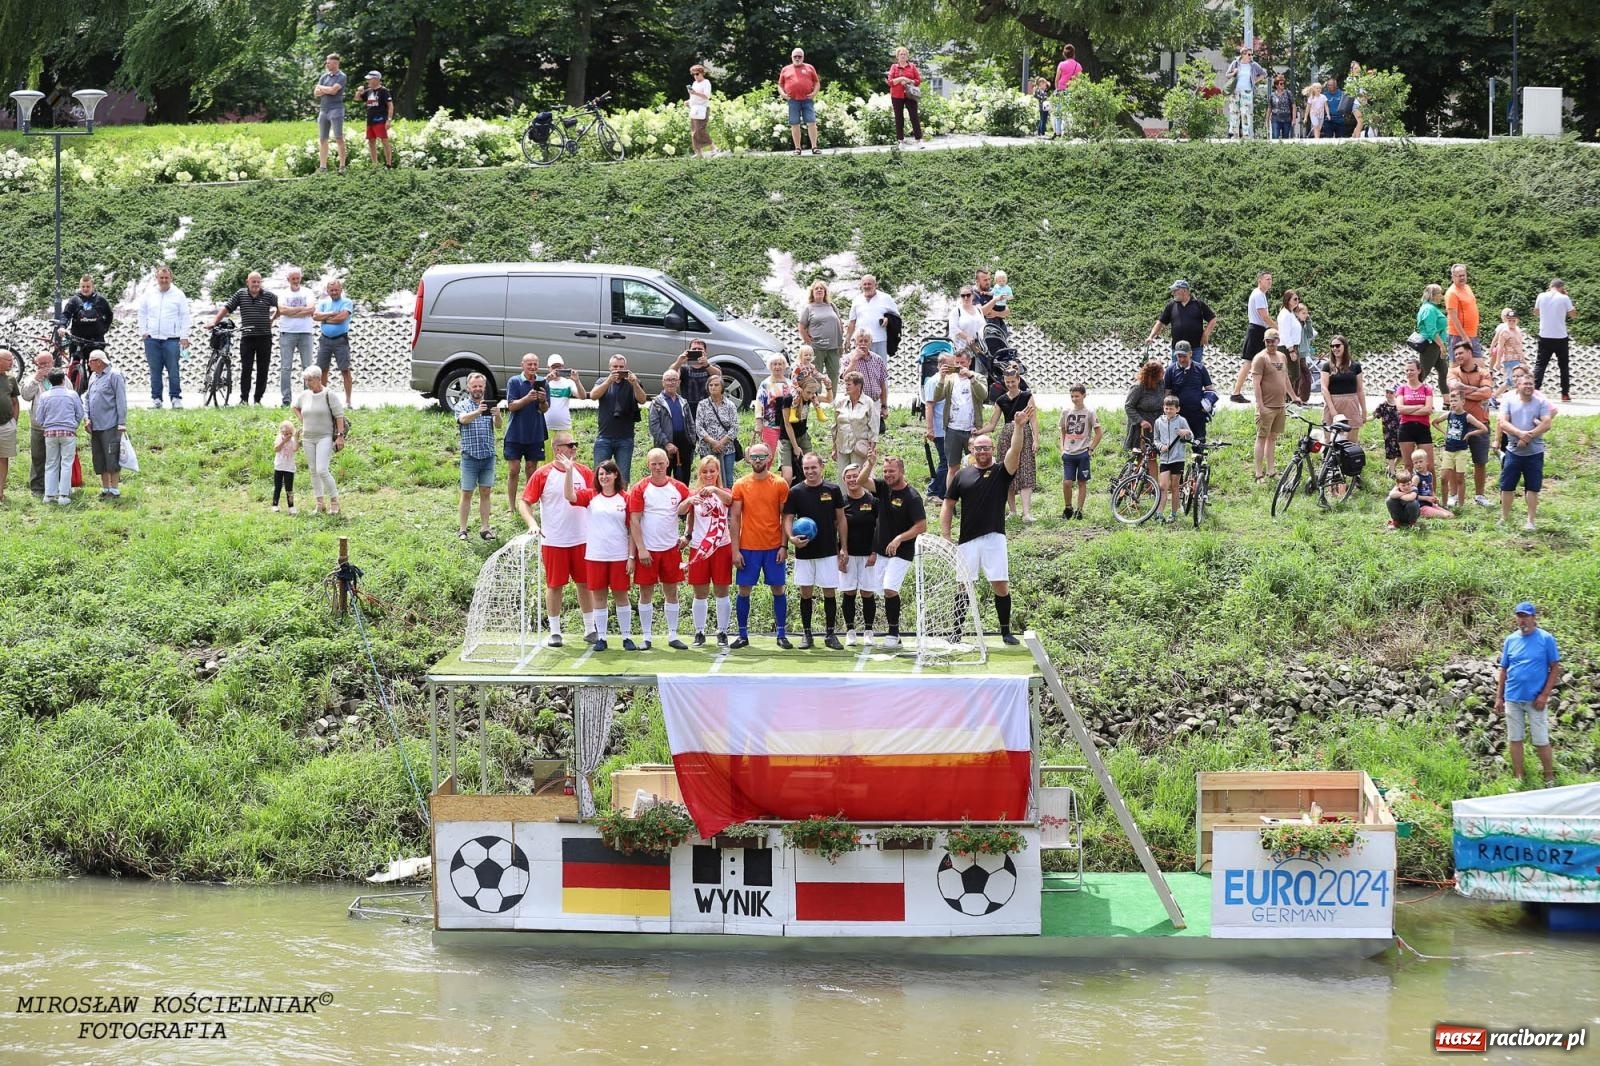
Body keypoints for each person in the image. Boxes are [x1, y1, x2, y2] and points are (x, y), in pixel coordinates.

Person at [939, 404, 1033, 646]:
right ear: (972, 450)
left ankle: (1005, 632)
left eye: (986, 448)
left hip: (994, 537)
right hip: (967, 540)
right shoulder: (962, 475)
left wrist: (1019, 427)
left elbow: (1015, 450)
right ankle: (956, 632)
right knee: (963, 586)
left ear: (992, 450)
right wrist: (945, 535)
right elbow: (948, 505)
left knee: (1000, 585)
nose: (982, 451)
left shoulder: (1002, 471)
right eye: (978, 448)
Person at [519, 430, 598, 646]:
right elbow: (524, 502)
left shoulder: (584, 472)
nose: (574, 448)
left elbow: (597, 499)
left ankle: (590, 628)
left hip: (582, 539)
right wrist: (532, 524)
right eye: (569, 445)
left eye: (575, 444)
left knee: (585, 583)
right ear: (556, 449)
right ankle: (555, 631)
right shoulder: (543, 474)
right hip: (554, 540)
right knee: (554, 586)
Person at [859, 451, 926, 648]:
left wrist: (899, 538)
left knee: (890, 589)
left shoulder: (912, 496)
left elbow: (921, 526)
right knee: (883, 591)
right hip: (882, 551)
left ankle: (893, 633)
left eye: (892, 471)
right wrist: (870, 464)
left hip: (902, 552)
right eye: (885, 471)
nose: (888, 475)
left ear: (902, 471)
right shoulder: (883, 487)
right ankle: (895, 635)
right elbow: (861, 481)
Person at [627, 447, 692, 650]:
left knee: (671, 591)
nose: (657, 467)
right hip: (648, 550)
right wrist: (641, 549)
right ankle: (646, 637)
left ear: (667, 464)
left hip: (671, 549)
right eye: (653, 464)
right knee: (645, 593)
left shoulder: (678, 487)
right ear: (648, 465)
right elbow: (634, 521)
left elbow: (693, 507)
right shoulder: (640, 488)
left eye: (661, 463)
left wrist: (687, 535)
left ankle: (672, 635)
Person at [567, 458, 634, 652]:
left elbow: (633, 530)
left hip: (619, 555)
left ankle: (626, 637)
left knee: (621, 596)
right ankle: (602, 637)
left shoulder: (626, 498)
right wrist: (569, 471)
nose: (604, 477)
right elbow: (569, 496)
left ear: (616, 475)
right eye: (601, 474)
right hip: (596, 555)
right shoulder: (590, 495)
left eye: (608, 473)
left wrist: (631, 557)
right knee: (599, 597)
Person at [729, 441, 791, 649]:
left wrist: (784, 546)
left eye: (761, 456)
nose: (757, 460)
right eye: (754, 457)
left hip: (773, 547)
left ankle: (781, 634)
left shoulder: (780, 484)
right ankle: (742, 635)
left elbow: (785, 517)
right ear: (748, 459)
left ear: (769, 458)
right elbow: (735, 518)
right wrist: (735, 550)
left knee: (778, 589)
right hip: (748, 547)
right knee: (744, 590)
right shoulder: (740, 484)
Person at [783, 451, 847, 649]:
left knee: (829, 592)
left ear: (821, 467)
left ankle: (830, 634)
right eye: (806, 468)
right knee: (805, 593)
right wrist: (791, 538)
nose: (810, 471)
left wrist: (843, 547)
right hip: (804, 551)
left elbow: (841, 519)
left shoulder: (833, 489)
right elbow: (787, 518)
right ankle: (807, 634)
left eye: (813, 467)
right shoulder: (795, 491)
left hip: (828, 550)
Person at [1496, 603, 1562, 788]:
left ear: (1534, 618)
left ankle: (1549, 778)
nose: (1522, 620)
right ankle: (1519, 777)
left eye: (1525, 616)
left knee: (1541, 739)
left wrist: (1544, 695)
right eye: (1519, 616)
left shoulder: (1545, 638)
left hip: (1536, 700)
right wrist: (1499, 697)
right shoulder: (1511, 640)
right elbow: (1504, 669)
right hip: (1513, 698)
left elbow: (1555, 668)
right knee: (1515, 739)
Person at [680, 455, 734, 646]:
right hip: (699, 548)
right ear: (699, 473)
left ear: (718, 472)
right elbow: (682, 512)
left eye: (712, 471)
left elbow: (730, 500)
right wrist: (689, 501)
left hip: (721, 546)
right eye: (705, 471)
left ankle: (722, 631)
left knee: (722, 590)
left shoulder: (724, 491)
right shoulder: (694, 493)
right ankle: (699, 631)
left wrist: (715, 490)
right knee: (700, 592)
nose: (709, 474)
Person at [211, 271, 279, 405]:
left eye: (258, 281)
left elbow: (281, 306)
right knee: (246, 369)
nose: (256, 284)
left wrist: (272, 318)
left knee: (263, 370)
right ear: (247, 282)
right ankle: (244, 399)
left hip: (264, 337)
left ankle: (258, 399)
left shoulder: (268, 295)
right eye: (253, 281)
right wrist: (214, 322)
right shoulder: (241, 294)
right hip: (247, 337)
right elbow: (227, 308)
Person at [1497, 372, 1555, 531]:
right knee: (1507, 486)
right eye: (1525, 384)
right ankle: (1504, 518)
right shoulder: (1508, 400)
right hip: (1513, 451)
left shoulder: (1541, 402)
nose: (1529, 386)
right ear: (1518, 385)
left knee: (1533, 488)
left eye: (1531, 384)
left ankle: (1530, 521)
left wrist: (1528, 436)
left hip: (1535, 453)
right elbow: (1503, 422)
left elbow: (1547, 423)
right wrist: (1520, 434)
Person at [1446, 342, 1496, 507]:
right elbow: (1454, 389)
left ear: (1470, 352)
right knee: (1453, 459)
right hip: (1457, 423)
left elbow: (1487, 393)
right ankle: (1453, 495)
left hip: (1480, 421)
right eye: (1456, 354)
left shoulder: (1484, 372)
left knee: (1480, 461)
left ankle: (1480, 496)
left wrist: (1464, 392)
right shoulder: (1453, 371)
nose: (1458, 356)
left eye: (1461, 353)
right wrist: (1476, 390)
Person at [837, 459, 881, 644]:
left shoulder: (873, 501)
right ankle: (850, 631)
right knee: (849, 593)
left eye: (856, 476)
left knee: (867, 593)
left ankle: (869, 631)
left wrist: (875, 552)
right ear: (844, 480)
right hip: (848, 556)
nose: (852, 479)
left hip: (868, 555)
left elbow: (880, 528)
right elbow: (835, 529)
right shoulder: (841, 502)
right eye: (848, 477)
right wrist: (839, 553)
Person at [453, 372, 501, 541]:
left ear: (484, 387)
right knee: (466, 493)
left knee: (485, 492)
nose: (478, 389)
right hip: (470, 457)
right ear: (468, 387)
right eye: (474, 386)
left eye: (480, 386)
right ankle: (462, 529)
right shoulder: (462, 405)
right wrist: (478, 412)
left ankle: (485, 528)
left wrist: (497, 414)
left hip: (488, 456)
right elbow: (462, 420)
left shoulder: (489, 405)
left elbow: (499, 426)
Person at [986, 365, 1037, 522]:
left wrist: (1036, 439)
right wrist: (978, 431)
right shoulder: (1001, 400)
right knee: (1007, 471)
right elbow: (992, 424)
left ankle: (1027, 513)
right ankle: (1013, 511)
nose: (1010, 384)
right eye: (1007, 382)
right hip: (1007, 435)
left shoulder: (1027, 396)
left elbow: (1033, 419)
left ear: (1018, 380)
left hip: (1025, 433)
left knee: (1026, 470)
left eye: (1013, 381)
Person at [137, 264, 191, 409]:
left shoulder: (178, 294)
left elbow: (185, 316)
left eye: (166, 278)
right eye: (161, 277)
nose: (164, 280)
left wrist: (184, 336)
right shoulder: (149, 294)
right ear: (157, 278)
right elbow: (142, 312)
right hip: (152, 339)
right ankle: (156, 399)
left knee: (173, 370)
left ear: (171, 278)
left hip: (172, 339)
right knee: (155, 370)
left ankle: (175, 397)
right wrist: (143, 331)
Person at [293, 366, 345, 515]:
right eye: (305, 380)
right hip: (308, 438)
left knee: (322, 469)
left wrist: (340, 436)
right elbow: (295, 406)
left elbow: (339, 416)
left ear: (318, 379)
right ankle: (320, 503)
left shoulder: (329, 394)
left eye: (310, 380)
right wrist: (302, 419)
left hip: (324, 437)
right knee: (313, 470)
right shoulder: (304, 395)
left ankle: (334, 501)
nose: (307, 383)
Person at [503, 353, 550, 517]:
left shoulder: (543, 383)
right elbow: (511, 406)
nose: (532, 367)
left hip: (535, 433)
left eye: (535, 364)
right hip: (515, 433)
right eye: (529, 364)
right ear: (522, 365)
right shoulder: (514, 381)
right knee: (513, 470)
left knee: (532, 469)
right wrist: (527, 398)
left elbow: (545, 409)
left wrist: (542, 400)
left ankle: (529, 503)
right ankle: (511, 506)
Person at [589, 353, 647, 482]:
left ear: (626, 368)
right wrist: (609, 381)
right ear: (609, 367)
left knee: (623, 477)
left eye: (621, 367)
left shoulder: (633, 381)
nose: (618, 370)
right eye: (615, 366)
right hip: (604, 437)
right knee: (599, 475)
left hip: (625, 438)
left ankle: (622, 496)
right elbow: (593, 395)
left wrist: (635, 384)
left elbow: (642, 400)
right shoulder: (602, 381)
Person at [933, 348, 985, 491]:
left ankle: (975, 495)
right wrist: (941, 378)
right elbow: (937, 397)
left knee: (976, 464)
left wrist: (971, 377)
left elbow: (983, 395)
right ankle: (950, 496)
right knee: (952, 467)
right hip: (952, 429)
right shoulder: (949, 379)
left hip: (972, 429)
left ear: (969, 362)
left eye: (963, 363)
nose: (960, 366)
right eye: (957, 363)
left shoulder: (978, 377)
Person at [1432, 387, 1488, 512]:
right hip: (1448, 450)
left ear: (1463, 402)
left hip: (1461, 451)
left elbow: (1483, 428)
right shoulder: (1449, 414)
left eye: (1455, 400)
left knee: (1459, 478)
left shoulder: (1467, 416)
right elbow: (1435, 422)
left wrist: (1469, 434)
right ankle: (1445, 504)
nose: (1453, 403)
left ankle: (1461, 506)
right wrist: (1444, 433)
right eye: (1451, 401)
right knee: (1443, 478)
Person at [35, 369, 84, 505]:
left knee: (51, 463)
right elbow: (80, 413)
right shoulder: (72, 394)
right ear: (63, 379)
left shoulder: (44, 396)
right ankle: (64, 494)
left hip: (50, 432)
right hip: (68, 432)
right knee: (66, 463)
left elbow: (39, 417)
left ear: (50, 381)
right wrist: (74, 425)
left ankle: (49, 495)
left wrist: (46, 425)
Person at [83, 349, 126, 500]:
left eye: (90, 361)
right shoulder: (93, 376)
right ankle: (105, 488)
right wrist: (86, 418)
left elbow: (121, 399)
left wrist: (121, 422)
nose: (88, 364)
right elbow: (87, 398)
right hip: (95, 425)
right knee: (99, 457)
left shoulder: (115, 375)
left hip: (110, 424)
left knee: (112, 456)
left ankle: (114, 489)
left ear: (99, 362)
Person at [1250, 328, 1291, 481]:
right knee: (1261, 437)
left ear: (1278, 341)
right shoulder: (1260, 358)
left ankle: (1271, 470)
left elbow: (1285, 378)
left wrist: (1294, 396)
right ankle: (1258, 473)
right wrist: (1260, 406)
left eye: (1272, 341)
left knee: (1273, 438)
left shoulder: (1282, 356)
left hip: (1280, 405)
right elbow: (1256, 384)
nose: (1270, 344)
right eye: (1267, 341)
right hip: (1266, 406)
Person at [1058, 383, 1101, 520]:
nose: (1074, 399)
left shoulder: (1090, 412)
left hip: (1083, 453)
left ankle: (1079, 510)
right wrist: (1062, 448)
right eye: (1072, 396)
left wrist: (1091, 448)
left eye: (1077, 396)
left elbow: (1099, 433)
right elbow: (1062, 430)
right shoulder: (1066, 411)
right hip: (1069, 453)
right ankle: (1068, 507)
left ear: (1084, 396)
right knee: (1067, 482)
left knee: (1082, 482)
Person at [1147, 280, 1216, 364]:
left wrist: (1205, 334)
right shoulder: (1171, 305)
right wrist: (1151, 336)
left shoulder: (1199, 304)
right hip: (1177, 349)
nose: (1172, 293)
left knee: (1194, 371)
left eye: (1175, 290)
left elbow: (1212, 319)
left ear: (1184, 290)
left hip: (1195, 348)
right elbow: (1160, 322)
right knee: (1176, 371)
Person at [1230, 271, 1274, 403]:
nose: (1270, 281)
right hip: (1256, 330)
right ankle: (1236, 392)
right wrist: (1277, 327)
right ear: (1259, 280)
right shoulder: (1259, 295)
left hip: (1258, 330)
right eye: (1267, 279)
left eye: (1270, 279)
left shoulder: (1260, 294)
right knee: (1249, 362)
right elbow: (1264, 316)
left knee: (1260, 362)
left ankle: (1260, 391)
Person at [276, 267, 316, 407]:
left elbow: (311, 309)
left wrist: (291, 311)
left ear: (301, 278)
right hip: (287, 332)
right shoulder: (283, 293)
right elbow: (281, 310)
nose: (295, 280)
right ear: (288, 279)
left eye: (297, 278)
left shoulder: (308, 292)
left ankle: (308, 397)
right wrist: (301, 310)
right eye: (293, 278)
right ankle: (286, 399)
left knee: (308, 367)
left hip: (305, 332)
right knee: (286, 367)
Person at [647, 369, 695, 485]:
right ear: (663, 382)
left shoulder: (683, 401)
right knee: (664, 478)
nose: (671, 383)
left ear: (679, 382)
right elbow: (654, 426)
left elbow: (691, 423)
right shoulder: (656, 402)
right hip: (664, 445)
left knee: (684, 479)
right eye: (668, 380)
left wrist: (692, 441)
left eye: (674, 380)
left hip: (684, 444)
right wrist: (666, 443)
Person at [312, 278, 355, 406]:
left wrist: (325, 319)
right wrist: (331, 314)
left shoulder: (347, 302)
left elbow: (342, 318)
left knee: (345, 370)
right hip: (324, 340)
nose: (334, 292)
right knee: (322, 370)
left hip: (341, 340)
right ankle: (323, 399)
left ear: (341, 290)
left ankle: (348, 401)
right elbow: (315, 316)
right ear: (328, 291)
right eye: (331, 290)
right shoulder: (323, 302)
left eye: (336, 290)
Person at [694, 372, 740, 490]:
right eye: (711, 385)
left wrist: (721, 443)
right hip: (707, 448)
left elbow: (734, 427)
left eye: (716, 385)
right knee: (708, 478)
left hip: (727, 449)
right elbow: (699, 427)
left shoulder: (730, 405)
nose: (713, 387)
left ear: (722, 387)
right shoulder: (702, 405)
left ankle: (727, 499)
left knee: (728, 480)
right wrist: (713, 442)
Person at [1152, 395, 1194, 524]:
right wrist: (1161, 446)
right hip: (1164, 459)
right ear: (1163, 408)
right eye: (1166, 408)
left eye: (1171, 408)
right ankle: (1159, 513)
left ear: (1177, 409)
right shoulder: (1158, 422)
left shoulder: (1181, 420)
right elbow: (1156, 439)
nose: (1169, 411)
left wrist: (1186, 433)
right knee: (1163, 487)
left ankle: (1174, 513)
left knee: (1175, 487)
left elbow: (1191, 436)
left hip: (1178, 458)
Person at [1533, 278, 1576, 403]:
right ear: (1561, 287)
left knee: (1540, 364)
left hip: (1544, 335)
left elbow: (1536, 312)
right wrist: (1566, 300)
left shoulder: (1541, 296)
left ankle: (1535, 390)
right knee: (1563, 366)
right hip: (1560, 336)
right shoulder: (1564, 298)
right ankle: (1565, 394)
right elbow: (1573, 315)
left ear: (1550, 285)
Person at [1163, 341, 1213, 444]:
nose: (1182, 359)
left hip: (1197, 413)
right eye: (1179, 356)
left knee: (1199, 443)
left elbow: (1210, 389)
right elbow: (1167, 393)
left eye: (1184, 356)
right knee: (1175, 443)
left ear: (1190, 354)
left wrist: (1208, 404)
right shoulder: (1170, 370)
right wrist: (1166, 411)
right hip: (1178, 414)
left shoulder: (1200, 368)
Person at [776, 372, 822, 483]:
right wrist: (795, 446)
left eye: (813, 393)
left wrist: (829, 387)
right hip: (786, 438)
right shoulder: (789, 399)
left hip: (802, 435)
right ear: (801, 389)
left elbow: (829, 399)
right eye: (808, 392)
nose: (810, 396)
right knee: (787, 477)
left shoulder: (810, 397)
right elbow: (787, 424)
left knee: (811, 471)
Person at [19, 350, 53, 496]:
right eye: (40, 364)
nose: (44, 367)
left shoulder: (61, 377)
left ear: (52, 363)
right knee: (38, 457)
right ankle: (37, 487)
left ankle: (55, 487)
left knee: (55, 458)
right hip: (38, 426)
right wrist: (35, 380)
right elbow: (26, 396)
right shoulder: (31, 379)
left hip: (57, 426)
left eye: (46, 363)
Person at [797, 280, 843, 386]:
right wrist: (807, 340)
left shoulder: (831, 306)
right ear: (812, 292)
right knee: (815, 375)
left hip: (833, 347)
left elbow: (839, 323)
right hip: (816, 348)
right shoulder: (808, 308)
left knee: (834, 374)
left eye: (821, 288)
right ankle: (816, 396)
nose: (819, 290)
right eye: (816, 288)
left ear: (825, 292)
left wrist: (840, 343)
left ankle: (831, 396)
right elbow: (801, 326)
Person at [832, 369, 879, 473]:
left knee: (858, 476)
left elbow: (874, 429)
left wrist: (871, 451)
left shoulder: (868, 403)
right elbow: (835, 426)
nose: (846, 387)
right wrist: (834, 448)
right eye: (845, 384)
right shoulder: (841, 402)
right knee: (842, 476)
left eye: (849, 384)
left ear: (858, 386)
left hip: (859, 448)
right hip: (842, 445)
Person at [1318, 335, 1366, 435]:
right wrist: (1332, 411)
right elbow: (1324, 389)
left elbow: (1360, 389)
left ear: (1345, 346)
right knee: (1330, 439)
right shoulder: (1327, 366)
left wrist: (1364, 410)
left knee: (1351, 440)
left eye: (1337, 345)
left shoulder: (1356, 366)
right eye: (1332, 346)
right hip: (1333, 403)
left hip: (1351, 405)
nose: (1335, 348)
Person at [1395, 356, 1435, 474]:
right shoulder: (1401, 388)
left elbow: (1428, 410)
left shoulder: (1427, 388)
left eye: (1412, 370)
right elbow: (1400, 409)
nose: (1409, 372)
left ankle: (1430, 487)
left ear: (1419, 370)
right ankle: (1410, 486)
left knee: (1429, 466)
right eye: (1407, 370)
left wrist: (1409, 411)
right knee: (1408, 465)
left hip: (1423, 428)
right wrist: (1419, 406)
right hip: (1406, 428)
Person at [779, 46, 822, 156]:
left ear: (803, 57)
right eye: (795, 56)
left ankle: (814, 147)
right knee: (795, 124)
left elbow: (817, 82)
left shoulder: (809, 67)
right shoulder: (785, 69)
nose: (797, 58)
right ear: (791, 57)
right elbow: (780, 85)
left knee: (811, 122)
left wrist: (814, 93)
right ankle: (797, 149)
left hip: (807, 100)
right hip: (793, 100)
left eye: (799, 56)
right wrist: (783, 94)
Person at [844, 275, 899, 360]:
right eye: (864, 284)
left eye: (869, 284)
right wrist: (847, 339)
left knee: (880, 365)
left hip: (879, 339)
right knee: (860, 365)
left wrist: (888, 319)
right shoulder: (856, 299)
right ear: (861, 286)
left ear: (875, 285)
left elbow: (896, 316)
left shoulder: (886, 298)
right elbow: (852, 321)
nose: (867, 286)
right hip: (861, 341)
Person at [1124, 355, 1166, 465]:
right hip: (1141, 426)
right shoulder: (1138, 387)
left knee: (1152, 455)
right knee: (1142, 456)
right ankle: (1136, 474)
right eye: (1161, 372)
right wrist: (1141, 421)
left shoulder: (1161, 383)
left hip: (1155, 424)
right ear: (1153, 375)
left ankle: (1151, 477)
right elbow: (1128, 406)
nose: (1163, 374)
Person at [314, 54, 348, 174]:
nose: (326, 64)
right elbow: (316, 93)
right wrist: (326, 89)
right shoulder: (324, 76)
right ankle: (323, 167)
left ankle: (342, 166)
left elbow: (334, 91)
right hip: (323, 110)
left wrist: (321, 88)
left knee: (338, 137)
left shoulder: (342, 76)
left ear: (336, 63)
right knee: (323, 139)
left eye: (329, 62)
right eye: (326, 62)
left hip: (336, 110)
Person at [922, 352, 950, 501]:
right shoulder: (933, 382)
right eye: (949, 365)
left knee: (949, 461)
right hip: (939, 429)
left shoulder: (952, 380)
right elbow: (929, 406)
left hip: (951, 428)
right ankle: (934, 491)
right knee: (945, 461)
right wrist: (930, 429)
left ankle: (942, 491)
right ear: (940, 365)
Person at [1413, 283, 1450, 394]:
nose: (1441, 296)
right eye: (1439, 293)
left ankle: (1447, 400)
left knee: (1444, 372)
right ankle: (1409, 396)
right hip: (1431, 345)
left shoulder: (1432, 308)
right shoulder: (1429, 309)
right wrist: (1442, 346)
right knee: (1423, 373)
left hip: (1436, 344)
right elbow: (1431, 330)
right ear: (1432, 295)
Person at [62, 274, 113, 352]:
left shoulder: (100, 300)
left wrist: (104, 329)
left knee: (97, 359)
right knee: (75, 359)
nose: (85, 289)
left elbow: (109, 315)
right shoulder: (74, 300)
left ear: (93, 287)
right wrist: (62, 326)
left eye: (88, 286)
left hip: (96, 340)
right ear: (80, 286)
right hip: (77, 339)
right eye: (83, 287)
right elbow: (66, 314)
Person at [842, 330, 888, 415]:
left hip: (875, 403)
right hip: (856, 404)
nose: (863, 344)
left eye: (866, 341)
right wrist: (854, 361)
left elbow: (882, 384)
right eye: (860, 341)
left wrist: (884, 406)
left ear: (870, 343)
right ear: (855, 343)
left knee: (875, 424)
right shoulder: (848, 358)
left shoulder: (877, 359)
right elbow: (845, 378)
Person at [754, 353, 791, 457]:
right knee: (768, 455)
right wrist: (758, 423)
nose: (777, 367)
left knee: (786, 457)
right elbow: (759, 404)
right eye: (774, 364)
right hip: (770, 425)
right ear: (770, 366)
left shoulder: (790, 384)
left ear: (784, 366)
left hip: (788, 426)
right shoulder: (765, 384)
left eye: (780, 364)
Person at [1225, 47, 1267, 139]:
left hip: (1247, 91)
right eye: (1249, 54)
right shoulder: (1235, 63)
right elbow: (1227, 75)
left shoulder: (1253, 65)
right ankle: (1234, 134)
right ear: (1243, 54)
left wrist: (1254, 80)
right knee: (1234, 112)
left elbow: (1264, 73)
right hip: (1235, 91)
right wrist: (1234, 73)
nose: (1251, 56)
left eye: (1252, 54)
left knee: (1245, 112)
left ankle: (1246, 134)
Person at [1445, 263, 1482, 367]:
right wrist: (1464, 337)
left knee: (1479, 366)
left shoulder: (1467, 288)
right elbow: (1453, 317)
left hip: (1472, 333)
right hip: (1458, 335)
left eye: (1463, 275)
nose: (1462, 278)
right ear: (1453, 277)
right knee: (1456, 366)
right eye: (1459, 276)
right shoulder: (1452, 293)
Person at [673, 338, 718, 417]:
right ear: (689, 351)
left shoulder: (712, 366)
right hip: (688, 407)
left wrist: (706, 365)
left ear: (705, 352)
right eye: (694, 349)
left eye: (700, 349)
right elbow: (670, 375)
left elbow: (718, 375)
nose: (696, 350)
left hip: (707, 406)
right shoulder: (683, 368)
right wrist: (678, 362)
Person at [886, 47, 923, 144]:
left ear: (907, 56)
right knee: (899, 118)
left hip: (910, 95)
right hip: (897, 95)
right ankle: (900, 141)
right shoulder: (894, 67)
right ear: (897, 56)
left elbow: (918, 81)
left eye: (904, 54)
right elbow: (890, 82)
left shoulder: (912, 66)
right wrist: (901, 78)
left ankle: (918, 140)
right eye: (901, 54)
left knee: (914, 117)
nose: (903, 56)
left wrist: (908, 80)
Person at [360, 71, 394, 169]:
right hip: (370, 120)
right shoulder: (368, 91)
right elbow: (357, 99)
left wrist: (389, 120)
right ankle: (375, 165)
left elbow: (390, 106)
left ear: (376, 79)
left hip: (380, 119)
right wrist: (359, 91)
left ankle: (388, 164)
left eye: (369, 79)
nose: (368, 81)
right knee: (371, 141)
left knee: (384, 140)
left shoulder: (384, 91)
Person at [1276, 290, 1306, 399]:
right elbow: (1285, 334)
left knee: (1293, 374)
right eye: (1295, 299)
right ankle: (1283, 397)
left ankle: (1287, 397)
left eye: (1298, 299)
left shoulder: (1290, 313)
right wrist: (1291, 350)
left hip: (1292, 346)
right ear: (1288, 300)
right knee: (1292, 373)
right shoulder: (1285, 315)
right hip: (1287, 347)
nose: (1297, 301)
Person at [542, 354, 581, 434]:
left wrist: (577, 381)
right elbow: (534, 396)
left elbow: (582, 396)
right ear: (548, 368)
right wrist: (547, 381)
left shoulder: (568, 382)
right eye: (553, 367)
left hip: (564, 427)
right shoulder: (543, 381)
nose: (556, 369)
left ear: (563, 367)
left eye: (559, 367)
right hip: (545, 427)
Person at [1490, 307, 1525, 392]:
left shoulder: (1518, 331)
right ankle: (1495, 396)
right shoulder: (1504, 332)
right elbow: (1500, 347)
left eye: (1513, 320)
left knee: (1516, 380)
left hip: (1518, 359)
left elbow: (1519, 346)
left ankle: (1518, 396)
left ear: (1517, 320)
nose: (1511, 322)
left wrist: (1522, 358)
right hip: (1509, 359)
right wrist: (1498, 362)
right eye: (1509, 320)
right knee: (1510, 381)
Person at [1411, 452, 1453, 519]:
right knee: (1446, 516)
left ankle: (1432, 511)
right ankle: (1421, 514)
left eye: (1420, 461)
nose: (1418, 464)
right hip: (1421, 506)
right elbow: (1412, 496)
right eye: (1415, 463)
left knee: (1451, 515)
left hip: (1430, 504)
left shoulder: (1430, 475)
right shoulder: (1416, 478)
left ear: (1426, 462)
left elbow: (1431, 490)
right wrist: (1426, 498)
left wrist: (1434, 497)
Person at [1053, 45, 1083, 137]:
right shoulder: (1078, 66)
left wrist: (1056, 89)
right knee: (1069, 112)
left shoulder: (1061, 64)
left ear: (1064, 54)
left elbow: (1057, 79)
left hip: (1060, 90)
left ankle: (1058, 133)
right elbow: (1079, 81)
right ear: (1074, 54)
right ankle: (1067, 132)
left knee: (1058, 112)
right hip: (1071, 91)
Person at [0, 348, 17, 502]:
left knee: (3, 458)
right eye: (9, 360)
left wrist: (14, 422)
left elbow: (15, 402)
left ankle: (0, 492)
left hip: (6, 425)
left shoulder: (11, 379)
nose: (12, 363)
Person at [948, 284, 986, 354]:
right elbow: (953, 328)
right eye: (963, 296)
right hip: (961, 348)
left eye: (968, 295)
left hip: (978, 347)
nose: (966, 298)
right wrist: (967, 337)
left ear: (973, 296)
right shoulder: (956, 311)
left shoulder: (978, 310)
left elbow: (983, 326)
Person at [687, 64, 715, 158]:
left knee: (700, 130)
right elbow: (694, 97)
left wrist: (695, 93)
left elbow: (706, 96)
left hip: (703, 109)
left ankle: (713, 148)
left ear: (702, 73)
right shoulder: (695, 83)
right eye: (693, 74)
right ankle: (699, 153)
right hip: (694, 109)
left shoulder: (706, 82)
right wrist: (688, 101)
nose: (695, 76)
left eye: (697, 74)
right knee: (694, 131)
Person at [271, 420, 299, 514]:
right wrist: (284, 441)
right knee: (277, 486)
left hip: (289, 468)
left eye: (289, 433)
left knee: (289, 488)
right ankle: (275, 504)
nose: (287, 435)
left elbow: (295, 449)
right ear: (281, 432)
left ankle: (291, 506)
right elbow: (276, 449)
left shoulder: (293, 440)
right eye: (285, 433)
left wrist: (296, 438)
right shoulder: (279, 438)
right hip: (279, 466)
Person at [1375, 385, 1402, 477]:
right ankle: (1392, 473)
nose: (1389, 394)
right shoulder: (1382, 406)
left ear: (1395, 394)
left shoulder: (1400, 405)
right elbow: (1374, 416)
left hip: (1401, 433)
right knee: (1391, 453)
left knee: (1402, 454)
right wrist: (1363, 419)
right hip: (1389, 434)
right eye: (1387, 392)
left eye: (1391, 393)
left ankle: (1391, 467)